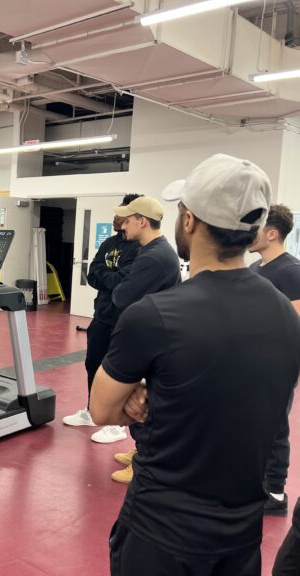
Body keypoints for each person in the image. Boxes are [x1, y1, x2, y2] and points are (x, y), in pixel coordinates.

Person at [91, 153, 300, 576]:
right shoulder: (286, 312)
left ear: (189, 221)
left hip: (161, 536)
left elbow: (102, 410)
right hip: (241, 539)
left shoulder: (154, 315)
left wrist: (146, 393)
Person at [90, 195, 181, 451]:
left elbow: (121, 295)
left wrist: (117, 287)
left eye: (127, 221)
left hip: (153, 337)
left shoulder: (153, 257)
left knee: (143, 400)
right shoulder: (153, 251)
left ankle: (144, 458)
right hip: (149, 333)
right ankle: (139, 452)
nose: (123, 226)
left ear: (142, 221)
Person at [62, 194, 140, 429]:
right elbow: (93, 272)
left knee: (118, 370)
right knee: (93, 363)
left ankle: (116, 424)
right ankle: (91, 410)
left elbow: (123, 281)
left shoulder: (140, 249)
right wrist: (109, 277)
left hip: (124, 319)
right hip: (102, 315)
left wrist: (107, 277)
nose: (115, 218)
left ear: (133, 218)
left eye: (120, 214)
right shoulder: (109, 244)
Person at [248, 204, 300, 517]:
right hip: (249, 361)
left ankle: (276, 491)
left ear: (272, 233)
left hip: (277, 364)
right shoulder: (255, 269)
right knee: (253, 423)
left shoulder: (291, 271)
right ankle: (256, 480)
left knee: (275, 426)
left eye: (257, 227)